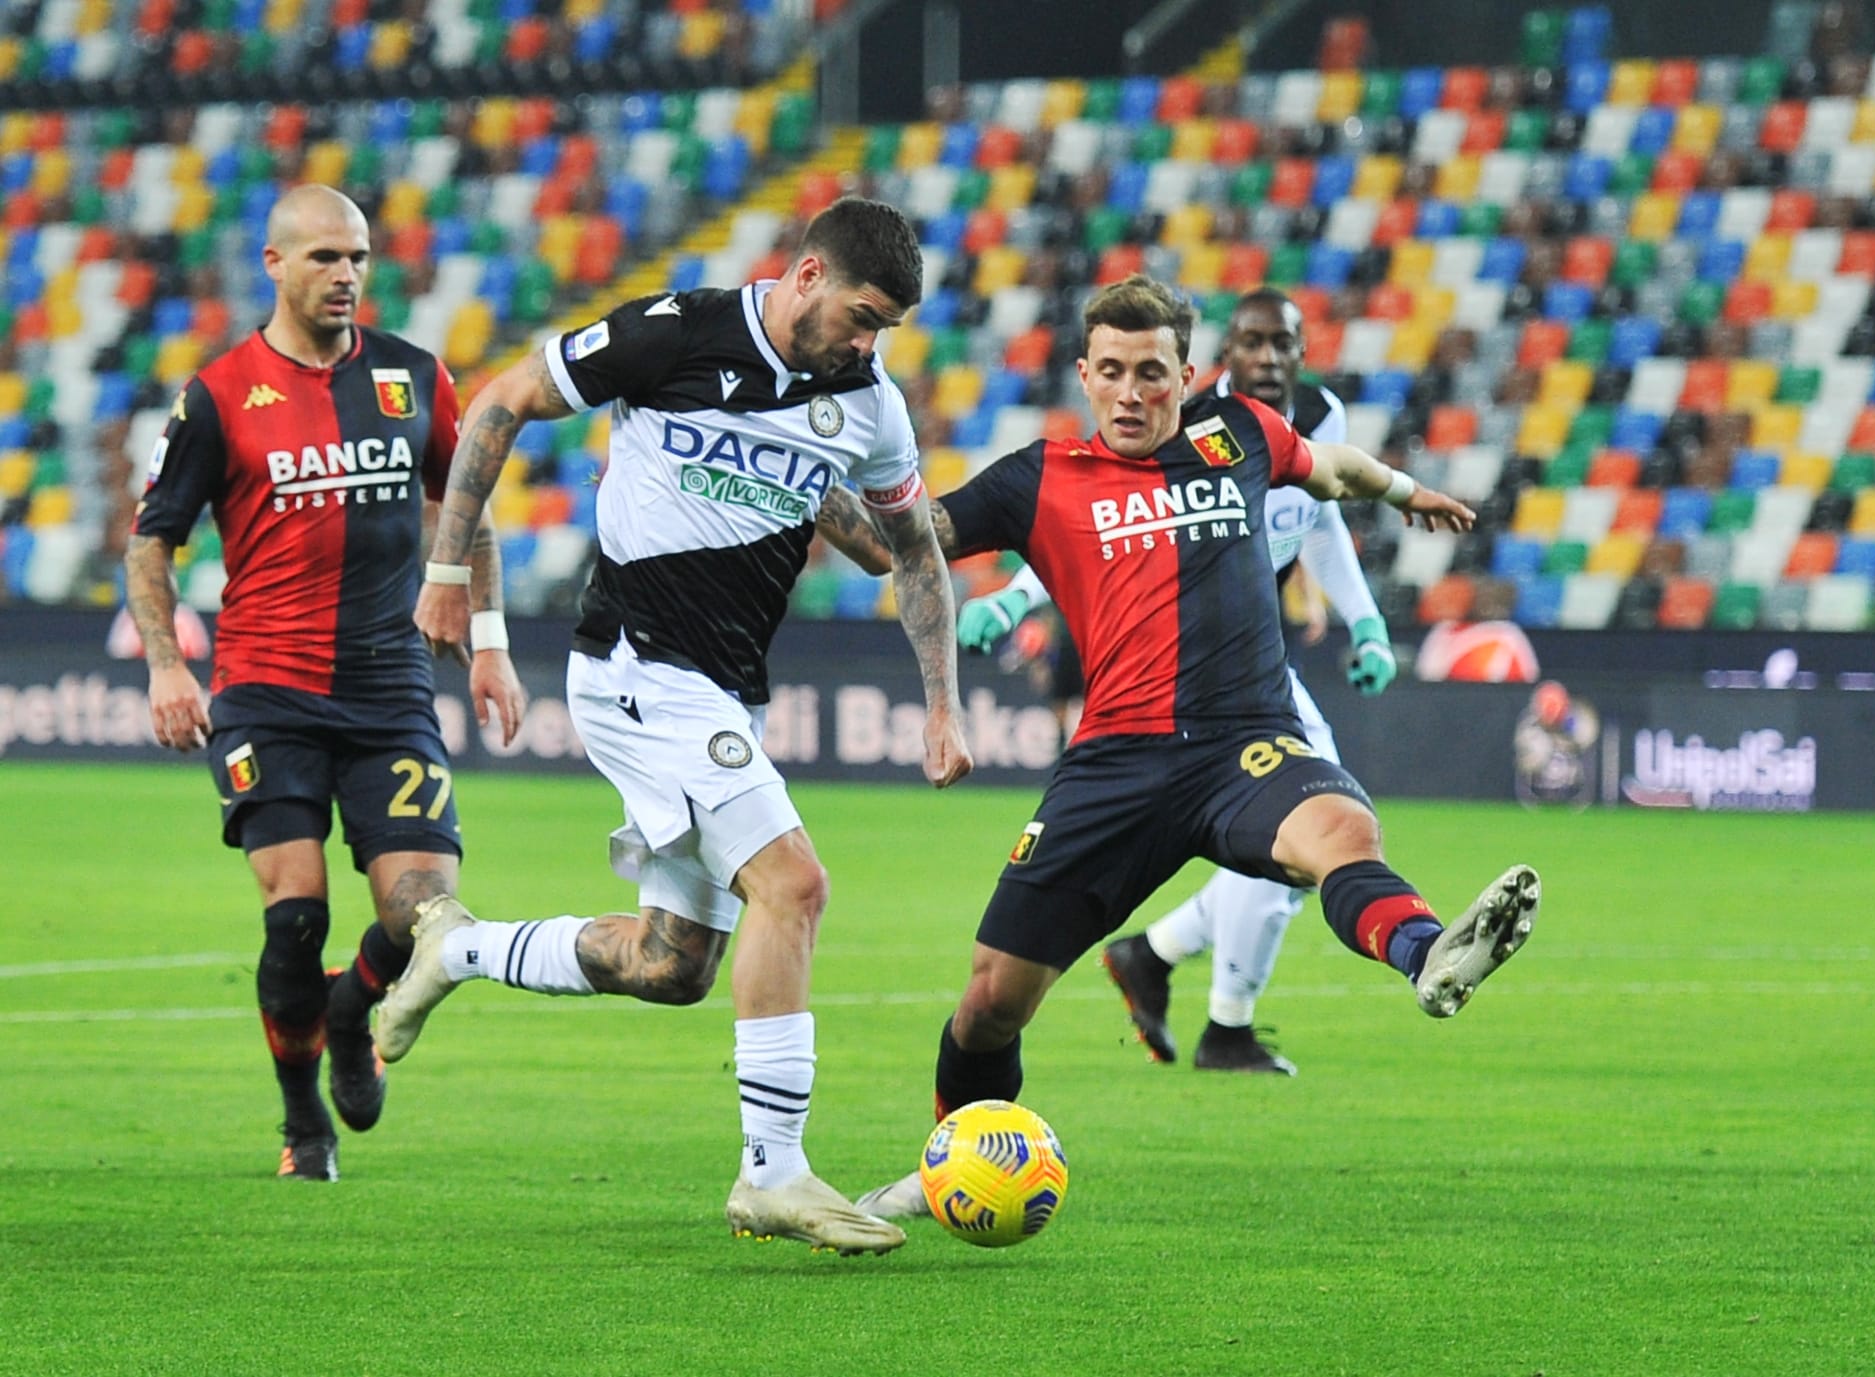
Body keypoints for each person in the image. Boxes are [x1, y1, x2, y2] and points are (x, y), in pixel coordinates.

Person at [856, 274, 1538, 1220]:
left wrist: (1408, 492)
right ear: (1084, 376)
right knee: (989, 1002)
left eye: (1152, 373)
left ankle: (1428, 953)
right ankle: (948, 1166)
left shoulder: (1241, 436)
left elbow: (1335, 470)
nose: (1131, 393)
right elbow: (905, 538)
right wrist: (810, 492)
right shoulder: (1037, 477)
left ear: (1187, 374)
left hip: (1243, 744)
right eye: (1112, 373)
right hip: (1116, 766)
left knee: (1341, 828)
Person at [375, 196, 972, 1256]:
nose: (869, 341)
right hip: (635, 666)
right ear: (805, 278)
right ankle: (770, 1175)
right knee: (795, 884)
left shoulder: (866, 402)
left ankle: (462, 948)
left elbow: (903, 550)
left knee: (671, 966)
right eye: (862, 314)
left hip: (724, 689)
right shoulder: (675, 331)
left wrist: (941, 704)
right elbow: (501, 403)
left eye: (885, 327)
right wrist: (447, 573)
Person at [124, 184, 526, 1182]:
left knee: (421, 914)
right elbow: (151, 542)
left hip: (391, 683)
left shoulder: (409, 376)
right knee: (294, 912)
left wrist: (488, 639)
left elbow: (466, 507)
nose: (345, 275)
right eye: (323, 259)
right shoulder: (219, 394)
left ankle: (352, 1016)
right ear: (274, 265)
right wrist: (170, 663)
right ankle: (304, 1123)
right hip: (267, 686)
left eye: (356, 257)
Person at [962, 287, 1399, 1075]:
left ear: (1303, 351)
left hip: (1248, 681)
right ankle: (1204, 1000)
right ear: (1224, 359)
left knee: (1317, 844)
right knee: (1294, 854)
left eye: (1284, 343)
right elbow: (1100, 527)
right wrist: (1014, 596)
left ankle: (1181, 975)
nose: (1268, 358)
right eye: (1255, 343)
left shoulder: (1307, 419)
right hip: (1152, 678)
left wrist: (1365, 616)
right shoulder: (1198, 420)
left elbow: (1322, 510)